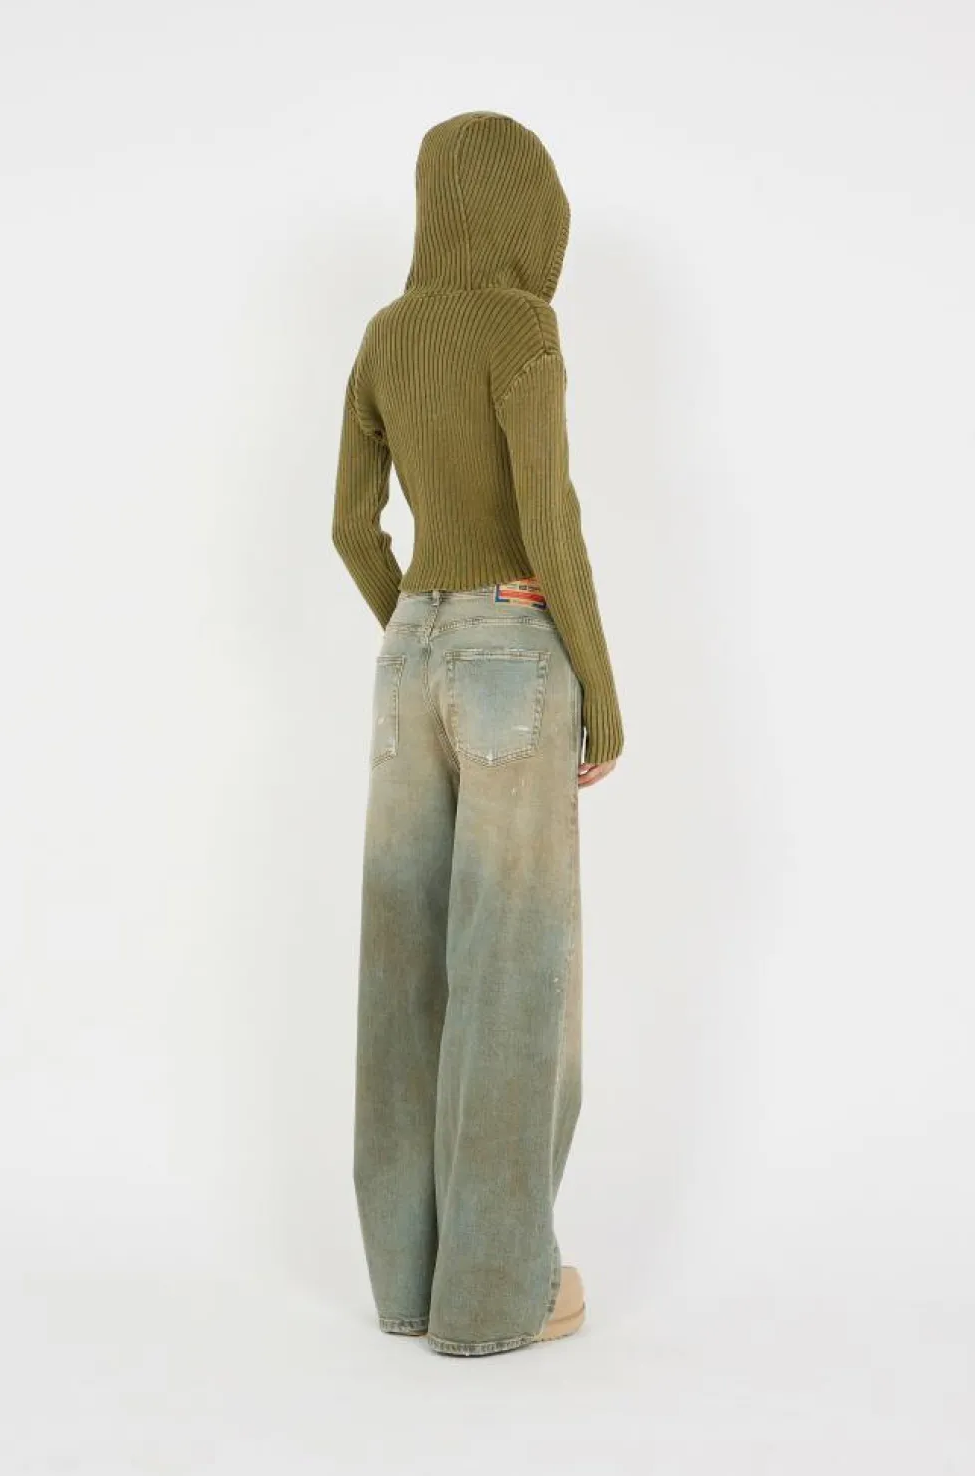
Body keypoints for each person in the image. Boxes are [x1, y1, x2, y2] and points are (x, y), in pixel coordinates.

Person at [331, 110, 625, 1356]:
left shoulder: (385, 334)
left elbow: (351, 530)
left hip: (407, 657)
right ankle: (499, 1297)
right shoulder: (521, 327)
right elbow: (550, 521)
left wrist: (421, 630)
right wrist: (599, 693)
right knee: (514, 969)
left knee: (403, 963)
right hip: (515, 657)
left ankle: (407, 1286)